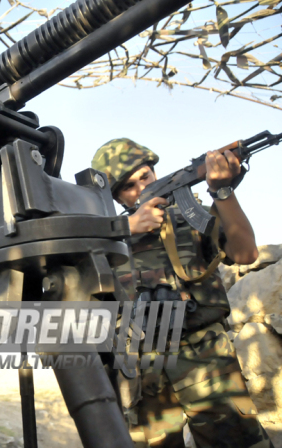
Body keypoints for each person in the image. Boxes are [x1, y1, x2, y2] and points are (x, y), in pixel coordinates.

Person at [91, 138, 272, 448]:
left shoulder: (189, 216)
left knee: (233, 441)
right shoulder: (105, 237)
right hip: (141, 368)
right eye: (127, 185)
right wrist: (127, 229)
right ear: (116, 196)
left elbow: (245, 253)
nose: (139, 187)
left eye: (145, 176)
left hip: (203, 356)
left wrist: (223, 192)